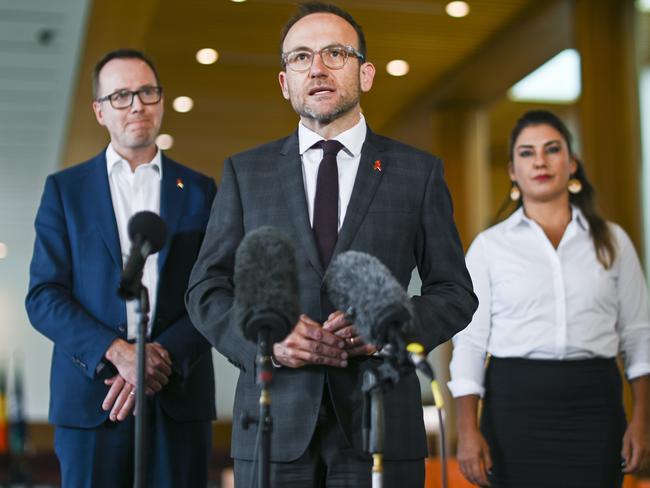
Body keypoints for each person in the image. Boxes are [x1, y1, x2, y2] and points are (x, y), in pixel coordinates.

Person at [186, 2, 477, 487]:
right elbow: (206, 288)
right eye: (300, 57)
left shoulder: (417, 173)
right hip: (273, 425)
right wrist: (267, 343)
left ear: (365, 74)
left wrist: (393, 328)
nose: (316, 68)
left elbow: (454, 291)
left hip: (381, 423)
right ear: (285, 82)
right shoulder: (245, 172)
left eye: (334, 54)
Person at [25, 49, 217, 487]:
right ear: (99, 110)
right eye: (122, 96)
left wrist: (157, 356)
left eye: (147, 92)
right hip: (93, 401)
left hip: (178, 396)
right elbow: (44, 296)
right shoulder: (65, 191)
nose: (137, 105)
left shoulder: (201, 191)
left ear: (162, 101)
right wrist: (119, 353)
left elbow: (215, 290)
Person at [448, 109, 650, 488]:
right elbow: (471, 343)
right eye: (526, 153)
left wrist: (643, 419)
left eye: (551, 149)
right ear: (512, 170)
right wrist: (467, 429)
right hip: (513, 409)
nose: (539, 161)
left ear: (571, 163)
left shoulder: (612, 240)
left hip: (596, 406)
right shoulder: (490, 247)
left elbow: (639, 335)